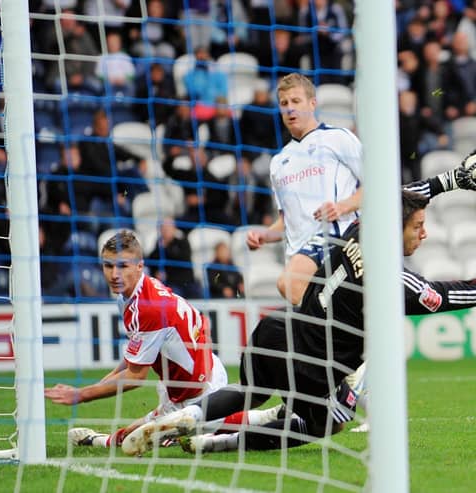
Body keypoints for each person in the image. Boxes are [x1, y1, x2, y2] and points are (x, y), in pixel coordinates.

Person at [121, 154, 476, 456]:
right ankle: (220, 444)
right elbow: (446, 293)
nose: (424, 234)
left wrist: (449, 180)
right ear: (396, 227)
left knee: (247, 393)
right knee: (325, 424)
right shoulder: (392, 281)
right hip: (314, 364)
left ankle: (189, 418)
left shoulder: (359, 228)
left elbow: (398, 199)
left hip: (278, 329)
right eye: (417, 226)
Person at [44, 230, 228, 448]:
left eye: (123, 266)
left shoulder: (148, 308)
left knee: (137, 442)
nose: (114, 274)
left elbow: (136, 376)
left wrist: (81, 395)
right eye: (108, 265)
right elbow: (134, 356)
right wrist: (102, 383)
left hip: (202, 394)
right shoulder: (132, 294)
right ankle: (101, 440)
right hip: (186, 382)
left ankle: (227, 428)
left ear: (139, 266)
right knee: (133, 434)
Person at [246, 73, 362, 305]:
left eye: (296, 101)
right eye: (284, 104)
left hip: (338, 238)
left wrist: (341, 207)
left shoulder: (338, 138)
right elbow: (285, 221)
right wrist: (264, 235)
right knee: (313, 320)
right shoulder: (278, 162)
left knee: (289, 283)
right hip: (301, 253)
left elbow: (378, 188)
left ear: (312, 103)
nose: (290, 109)